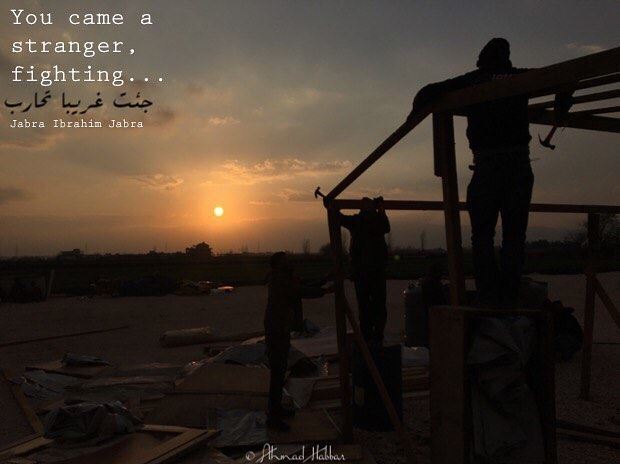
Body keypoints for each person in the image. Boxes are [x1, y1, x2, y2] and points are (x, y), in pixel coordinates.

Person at [408, 38, 571, 308]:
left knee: (482, 235)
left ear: (482, 59)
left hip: (487, 167)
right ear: (506, 58)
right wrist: (561, 109)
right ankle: (508, 295)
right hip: (518, 165)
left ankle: (488, 294)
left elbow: (428, 91)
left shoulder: (474, 79)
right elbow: (566, 77)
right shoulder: (522, 78)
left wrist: (413, 115)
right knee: (514, 235)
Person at [264, 251, 332, 431]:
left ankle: (276, 409)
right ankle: (273, 416)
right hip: (277, 329)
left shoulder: (284, 278)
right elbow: (301, 291)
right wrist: (324, 290)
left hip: (280, 329)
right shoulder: (279, 281)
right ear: (278, 265)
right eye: (286, 261)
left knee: (280, 370)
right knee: (277, 373)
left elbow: (303, 285)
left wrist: (324, 280)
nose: (290, 262)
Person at [339, 197, 391, 344]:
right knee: (377, 306)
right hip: (373, 271)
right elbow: (386, 227)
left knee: (366, 306)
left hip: (364, 272)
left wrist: (331, 207)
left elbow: (340, 218)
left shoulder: (359, 220)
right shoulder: (376, 220)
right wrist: (381, 211)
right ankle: (374, 336)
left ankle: (369, 337)